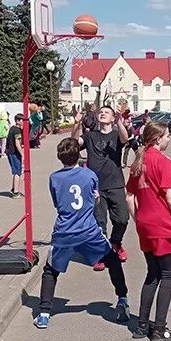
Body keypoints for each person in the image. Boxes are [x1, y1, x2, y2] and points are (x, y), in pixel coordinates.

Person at [33, 138, 130, 330]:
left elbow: (58, 203)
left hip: (64, 231)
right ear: (78, 155)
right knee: (112, 260)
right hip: (88, 230)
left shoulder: (54, 177)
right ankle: (122, 299)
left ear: (59, 157)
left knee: (50, 270)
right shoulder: (89, 174)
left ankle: (44, 313)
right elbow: (92, 199)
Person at [126, 122, 171, 341]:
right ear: (158, 139)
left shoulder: (138, 161)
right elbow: (170, 196)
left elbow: (130, 196)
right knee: (168, 274)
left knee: (153, 273)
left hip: (145, 224)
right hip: (161, 225)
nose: (170, 139)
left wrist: (138, 219)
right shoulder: (163, 161)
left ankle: (141, 325)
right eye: (167, 136)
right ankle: (159, 329)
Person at [73, 105, 131, 278]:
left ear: (113, 118)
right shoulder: (90, 136)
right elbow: (75, 143)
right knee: (99, 222)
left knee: (122, 219)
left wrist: (120, 122)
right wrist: (76, 124)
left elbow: (125, 138)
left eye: (106, 112)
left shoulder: (116, 134)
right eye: (101, 112)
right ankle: (100, 254)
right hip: (95, 186)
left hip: (116, 183)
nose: (102, 114)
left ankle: (116, 243)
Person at [6, 113, 25, 198]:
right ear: (17, 121)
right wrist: (22, 154)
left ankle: (14, 188)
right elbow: (17, 143)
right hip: (14, 153)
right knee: (17, 172)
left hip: (10, 152)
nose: (23, 122)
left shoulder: (12, 128)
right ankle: (16, 192)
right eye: (22, 121)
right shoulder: (17, 131)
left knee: (16, 171)